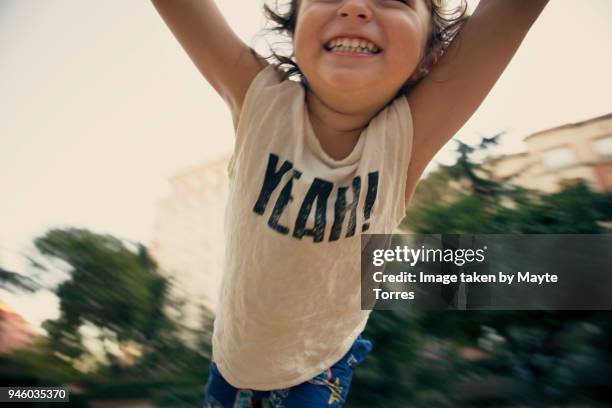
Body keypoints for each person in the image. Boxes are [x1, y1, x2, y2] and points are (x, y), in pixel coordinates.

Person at [150, 0, 549, 406]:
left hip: (315, 374)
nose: (355, 7)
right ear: (294, 31)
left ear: (429, 58)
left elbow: (510, 13)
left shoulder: (405, 139)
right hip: (228, 366)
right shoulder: (260, 102)